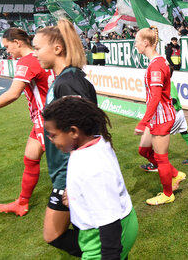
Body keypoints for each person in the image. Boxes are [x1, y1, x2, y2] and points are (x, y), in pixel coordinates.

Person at [0, 28, 54, 216]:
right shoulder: (43, 56)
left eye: (7, 46)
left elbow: (13, 93)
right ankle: (22, 202)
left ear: (17, 42)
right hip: (48, 116)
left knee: (64, 165)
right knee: (30, 158)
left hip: (47, 119)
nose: (7, 51)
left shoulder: (27, 61)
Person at [42, 97, 138, 259]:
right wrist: (76, 198)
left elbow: (109, 223)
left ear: (73, 132)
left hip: (102, 239)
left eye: (53, 135)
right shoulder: (94, 143)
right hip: (124, 221)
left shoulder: (92, 168)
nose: (50, 141)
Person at [32, 19, 97, 257]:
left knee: (54, 234)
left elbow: (88, 134)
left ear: (57, 49)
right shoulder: (62, 80)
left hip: (71, 175)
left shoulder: (68, 82)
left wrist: (74, 181)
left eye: (38, 48)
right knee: (83, 231)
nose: (35, 53)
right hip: (67, 173)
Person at [133, 27, 185, 206]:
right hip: (158, 116)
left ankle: (167, 194)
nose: (135, 44)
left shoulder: (156, 65)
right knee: (144, 150)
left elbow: (156, 97)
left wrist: (143, 122)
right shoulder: (158, 61)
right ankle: (176, 174)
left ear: (146, 43)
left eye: (137, 41)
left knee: (161, 157)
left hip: (161, 117)